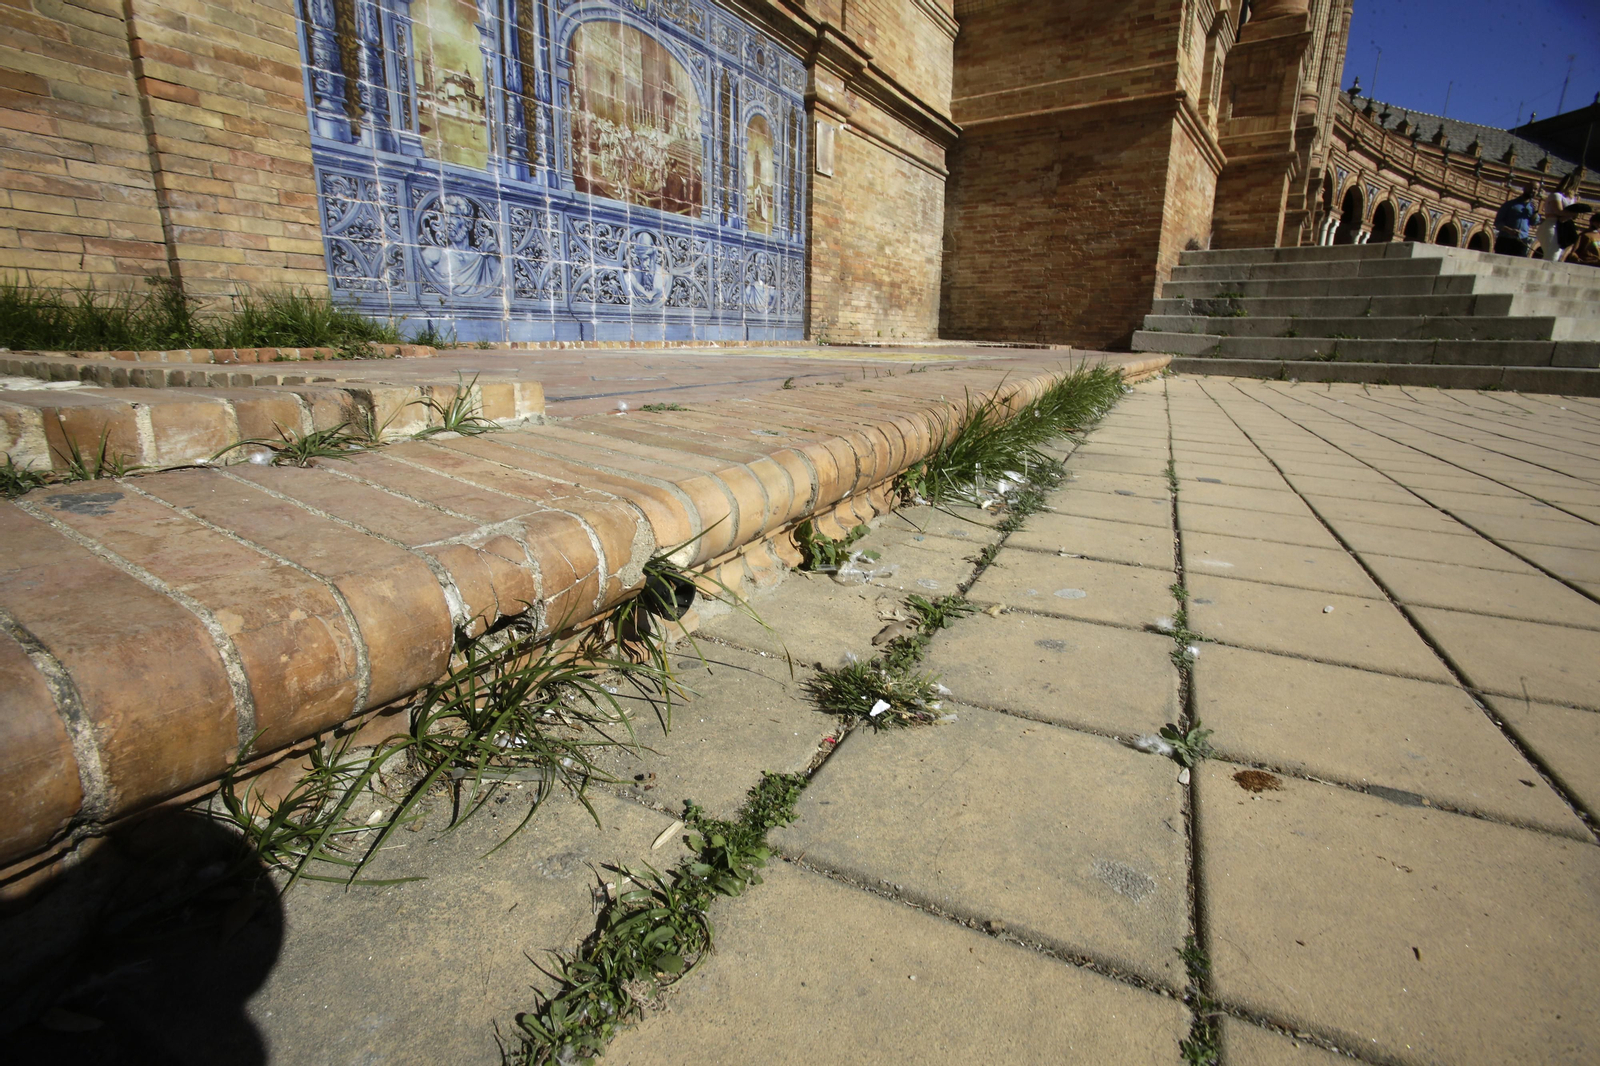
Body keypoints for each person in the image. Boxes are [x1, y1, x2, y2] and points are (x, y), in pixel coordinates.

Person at [1536, 170, 1586, 261]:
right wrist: (1572, 213)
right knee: (1552, 254)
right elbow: (1559, 211)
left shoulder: (1572, 199)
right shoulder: (1556, 196)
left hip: (1562, 228)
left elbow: (1573, 215)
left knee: (1557, 254)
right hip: (1552, 225)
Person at [1494, 183, 1538, 256]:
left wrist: (1535, 212)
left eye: (1536, 189)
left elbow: (1534, 223)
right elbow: (1497, 223)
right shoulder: (1510, 204)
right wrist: (1509, 230)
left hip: (1522, 240)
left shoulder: (1532, 208)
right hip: (1505, 239)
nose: (1533, 191)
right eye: (1531, 188)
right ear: (1524, 188)